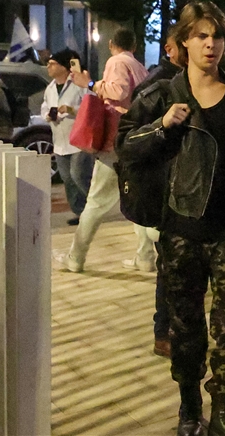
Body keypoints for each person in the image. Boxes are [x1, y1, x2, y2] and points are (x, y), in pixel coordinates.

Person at [117, 1, 225, 436]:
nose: (210, 44)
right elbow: (125, 146)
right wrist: (162, 126)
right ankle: (189, 407)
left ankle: (224, 409)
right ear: (183, 41)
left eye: (217, 36)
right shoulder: (159, 95)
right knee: (185, 329)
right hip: (180, 230)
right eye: (201, 35)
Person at [59, 26, 149, 272]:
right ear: (134, 45)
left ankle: (76, 257)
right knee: (136, 201)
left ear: (111, 44)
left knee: (96, 202)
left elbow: (118, 91)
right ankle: (145, 258)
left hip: (115, 141)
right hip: (135, 139)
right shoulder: (140, 67)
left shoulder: (117, 62)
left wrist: (88, 82)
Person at [133, 30, 187, 358]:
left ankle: (173, 326)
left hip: (192, 190)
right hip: (167, 191)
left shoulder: (201, 81)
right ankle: (163, 330)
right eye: (188, 41)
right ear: (170, 48)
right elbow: (132, 141)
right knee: (168, 262)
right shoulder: (157, 86)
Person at [42, 49, 93, 224]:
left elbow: (91, 105)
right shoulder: (50, 88)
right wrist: (48, 115)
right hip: (60, 140)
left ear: (64, 66)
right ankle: (80, 212)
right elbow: (44, 107)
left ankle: (94, 207)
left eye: (53, 63)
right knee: (67, 179)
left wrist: (71, 110)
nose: (48, 66)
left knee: (78, 174)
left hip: (79, 139)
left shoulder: (78, 84)